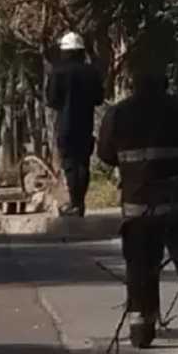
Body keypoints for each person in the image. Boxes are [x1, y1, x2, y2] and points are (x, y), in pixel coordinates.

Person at [97, 60, 178, 350]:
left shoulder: (118, 114)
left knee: (141, 270)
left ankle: (142, 331)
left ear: (133, 85)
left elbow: (105, 154)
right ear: (166, 83)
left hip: (140, 207)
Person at [47, 32, 105, 217]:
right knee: (83, 163)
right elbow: (99, 98)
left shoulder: (57, 72)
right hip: (85, 124)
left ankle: (74, 202)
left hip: (65, 125)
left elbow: (52, 100)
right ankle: (79, 202)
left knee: (70, 164)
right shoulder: (91, 71)